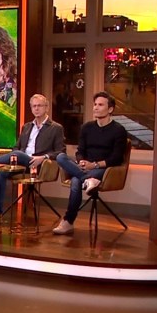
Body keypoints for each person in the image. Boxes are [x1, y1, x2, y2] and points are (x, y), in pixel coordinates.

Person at [0, 94, 66, 224]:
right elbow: (17, 147)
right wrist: (13, 158)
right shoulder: (27, 127)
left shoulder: (56, 128)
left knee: (18, 154)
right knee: (0, 172)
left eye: (39, 106)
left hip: (39, 165)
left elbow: (61, 151)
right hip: (21, 163)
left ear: (47, 108)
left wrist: (43, 157)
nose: (36, 109)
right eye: (34, 106)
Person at [53, 91, 128, 235]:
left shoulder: (119, 130)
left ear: (110, 109)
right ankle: (88, 179)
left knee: (76, 180)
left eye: (100, 105)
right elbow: (80, 151)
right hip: (85, 166)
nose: (96, 107)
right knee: (61, 157)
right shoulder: (87, 127)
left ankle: (68, 221)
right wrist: (81, 161)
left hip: (104, 169)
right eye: (95, 104)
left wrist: (94, 165)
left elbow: (117, 158)